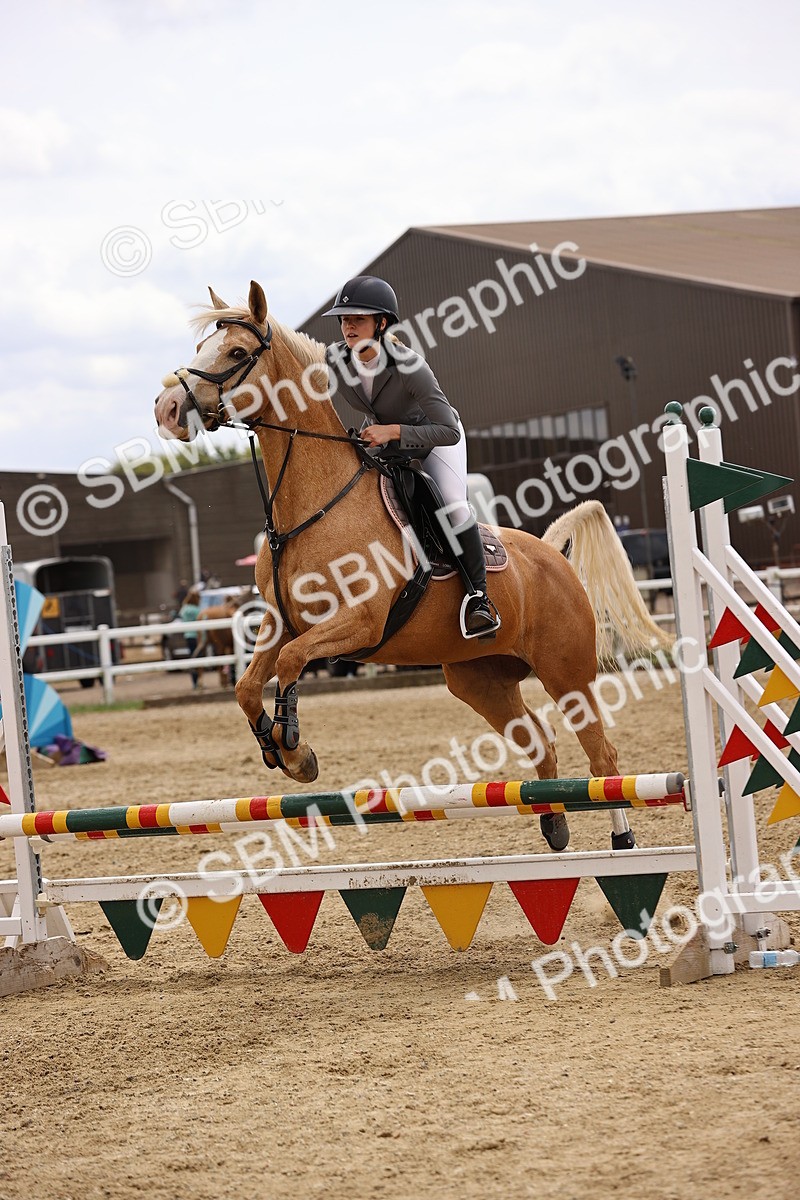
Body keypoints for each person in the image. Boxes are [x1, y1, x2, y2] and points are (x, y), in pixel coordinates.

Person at [324, 275, 501, 638]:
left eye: (358, 318)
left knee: (454, 506)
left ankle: (479, 599)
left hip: (436, 440)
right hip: (384, 440)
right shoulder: (335, 358)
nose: (348, 326)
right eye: (344, 318)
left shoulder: (411, 366)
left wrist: (393, 432)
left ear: (382, 323)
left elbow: (447, 428)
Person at [180, 588, 202, 689]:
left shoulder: (184, 609)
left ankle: (194, 682)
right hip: (197, 636)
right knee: (198, 658)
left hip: (188, 636)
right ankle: (199, 680)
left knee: (192, 657)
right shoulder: (196, 609)